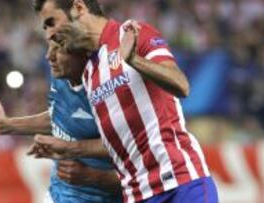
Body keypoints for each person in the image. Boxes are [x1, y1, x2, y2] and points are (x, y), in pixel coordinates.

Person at [31, 0, 219, 202]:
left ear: (78, 8)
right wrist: (67, 148)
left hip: (181, 184)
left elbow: (181, 85)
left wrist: (134, 60)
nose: (48, 34)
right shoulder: (88, 73)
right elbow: (117, 143)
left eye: (52, 22)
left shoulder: (133, 33)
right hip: (138, 195)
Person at [0, 41, 122, 203]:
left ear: (81, 54)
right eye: (49, 47)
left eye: (58, 50)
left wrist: (94, 176)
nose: (49, 56)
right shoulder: (61, 78)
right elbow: (62, 116)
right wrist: (8, 125)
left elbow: (130, 153)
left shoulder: (110, 87)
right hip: (58, 196)